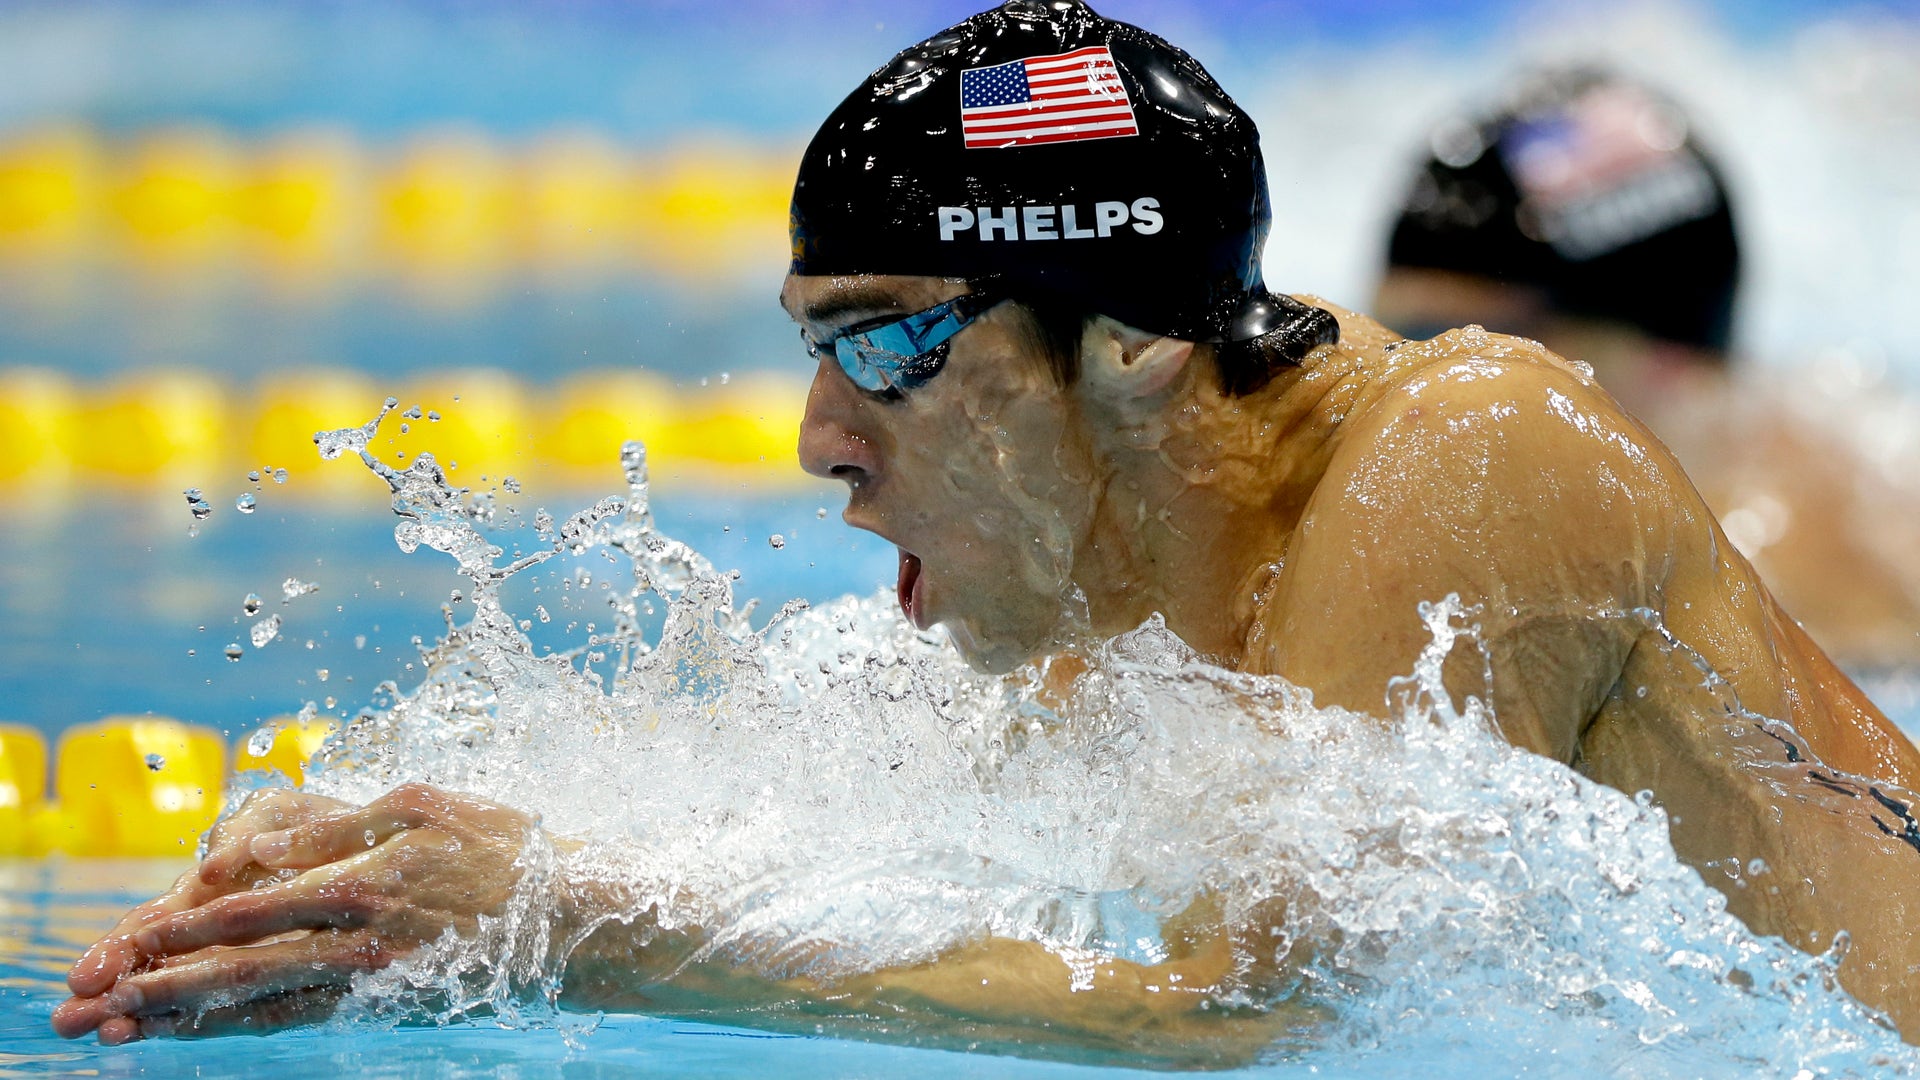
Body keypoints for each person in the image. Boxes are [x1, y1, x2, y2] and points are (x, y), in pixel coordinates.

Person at [53, 0, 1920, 1054]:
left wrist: (578, 921)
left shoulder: (1481, 442)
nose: (816, 444)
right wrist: (421, 870)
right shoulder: (1135, 586)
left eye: (883, 344)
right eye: (812, 349)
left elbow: (1249, 1016)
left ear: (1123, 346)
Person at [1373, 68, 1920, 666]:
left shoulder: (1771, 576)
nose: (1416, 387)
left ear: (1666, 361)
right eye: (1397, 338)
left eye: (1478, 345)